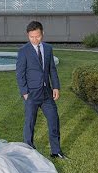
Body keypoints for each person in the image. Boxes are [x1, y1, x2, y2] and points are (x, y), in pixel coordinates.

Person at [16, 20, 65, 158]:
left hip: (47, 93)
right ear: (28, 35)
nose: (35, 39)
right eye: (32, 37)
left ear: (42, 33)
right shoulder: (23, 51)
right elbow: (20, 74)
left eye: (37, 36)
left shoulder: (48, 49)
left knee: (54, 120)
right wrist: (25, 92)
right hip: (31, 94)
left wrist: (55, 86)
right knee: (30, 122)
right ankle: (28, 150)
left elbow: (52, 70)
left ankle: (56, 151)